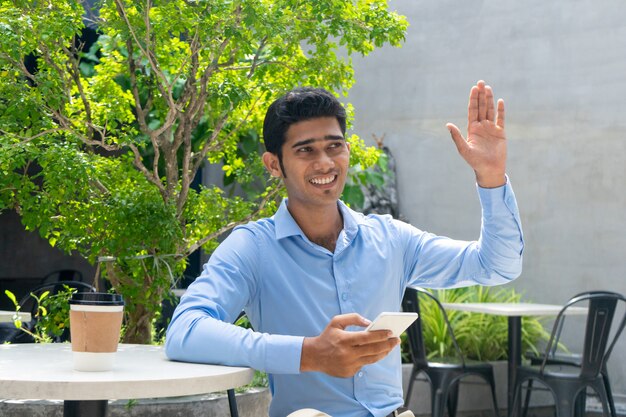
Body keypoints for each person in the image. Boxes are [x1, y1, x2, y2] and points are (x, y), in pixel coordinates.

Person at [165, 81, 524, 417]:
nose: (324, 162)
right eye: (306, 150)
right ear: (274, 164)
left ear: (347, 151)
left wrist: (491, 177)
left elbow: (496, 265)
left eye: (334, 146)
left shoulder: (391, 238)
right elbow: (185, 330)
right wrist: (307, 354)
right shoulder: (253, 247)